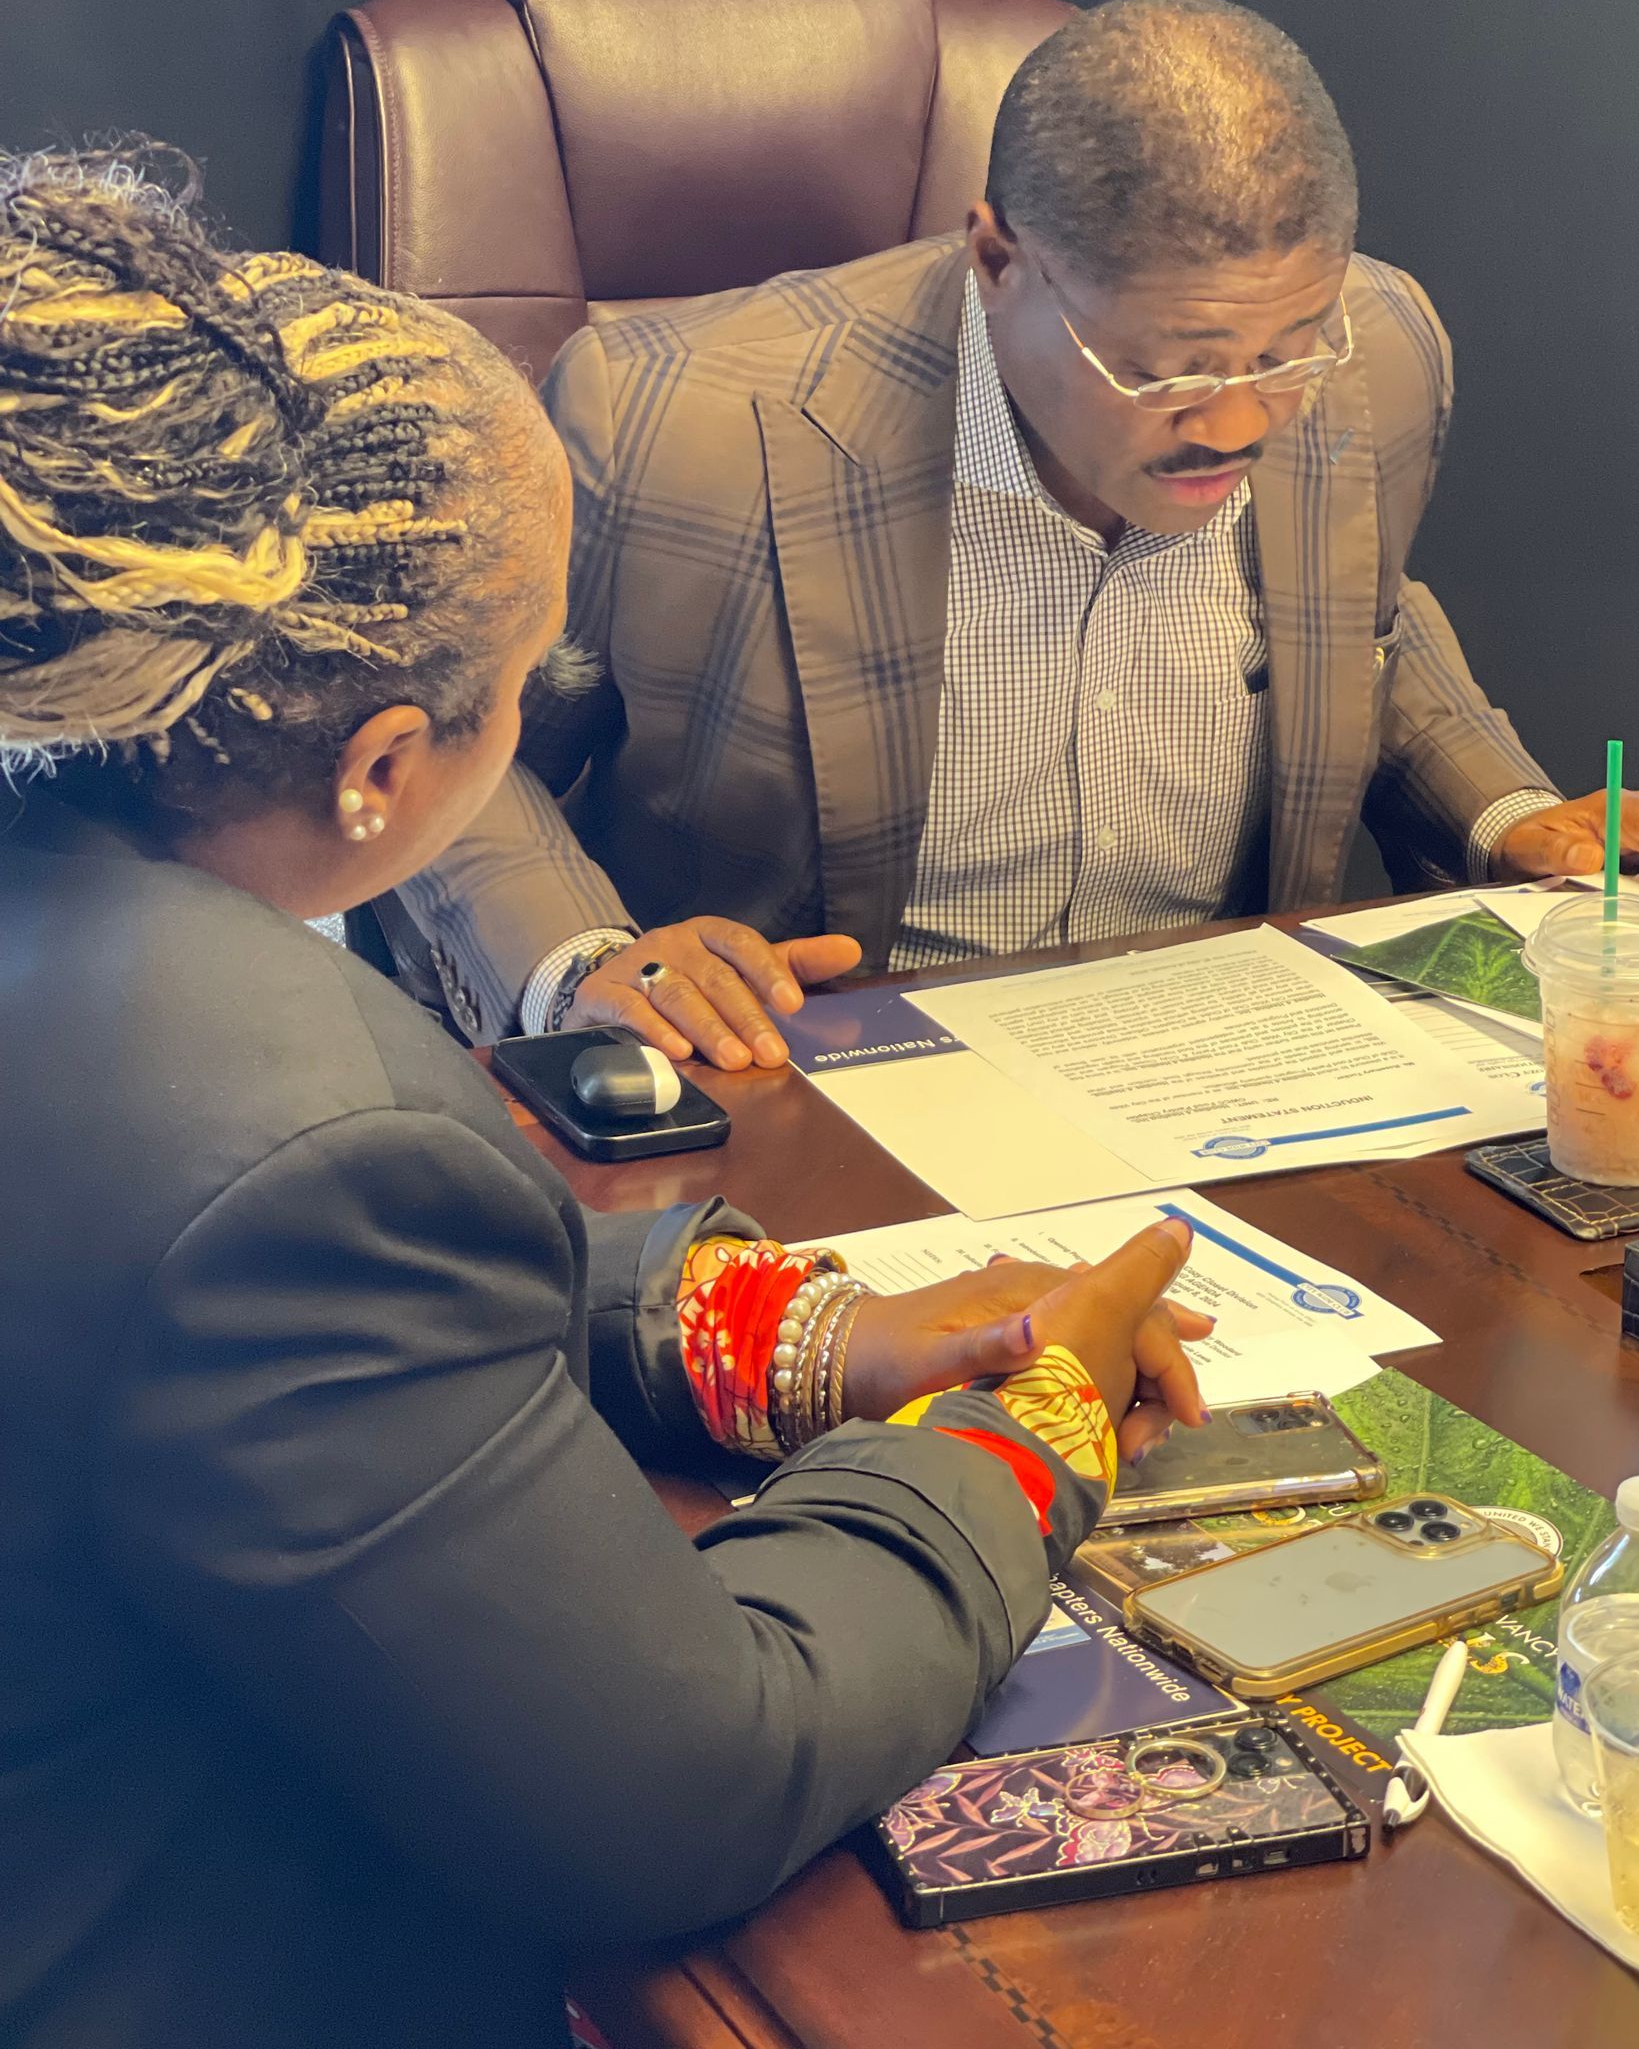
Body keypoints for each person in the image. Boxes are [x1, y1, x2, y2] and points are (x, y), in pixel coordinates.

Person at [0, 149, 1207, 2049]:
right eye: (524, 677)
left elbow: (301, 1303)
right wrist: (1032, 1435)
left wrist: (818, 1338)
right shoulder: (288, 1130)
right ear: (385, 771)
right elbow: (691, 1783)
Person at [395, 0, 1639, 1069]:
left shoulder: (1378, 357)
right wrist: (583, 960)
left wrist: (1518, 816)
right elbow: (443, 748)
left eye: (1286, 352)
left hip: (1224, 1072)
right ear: (997, 263)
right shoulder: (677, 420)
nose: (1237, 425)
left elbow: (1362, 621)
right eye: (1171, 369)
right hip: (828, 1087)